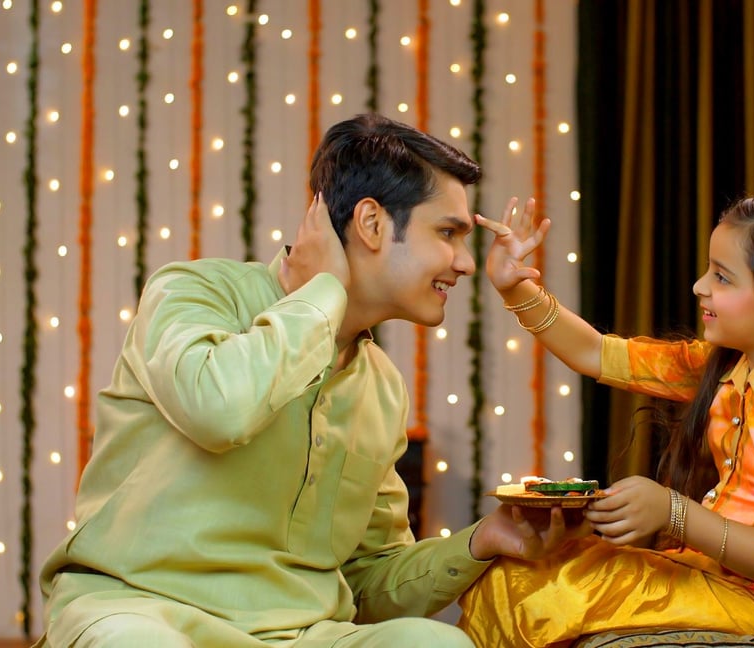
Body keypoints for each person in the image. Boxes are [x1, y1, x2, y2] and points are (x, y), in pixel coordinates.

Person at [35, 114, 589, 648]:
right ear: (371, 224)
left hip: (301, 634)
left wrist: (482, 539)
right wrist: (324, 292)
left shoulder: (381, 387)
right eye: (448, 233)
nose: (465, 264)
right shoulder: (193, 293)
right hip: (142, 611)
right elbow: (218, 410)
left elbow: (368, 583)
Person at [461, 191, 754, 646]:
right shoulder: (728, 365)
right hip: (703, 575)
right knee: (513, 572)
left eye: (722, 277)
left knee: (541, 599)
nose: (699, 286)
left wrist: (673, 513)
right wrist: (514, 286)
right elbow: (597, 353)